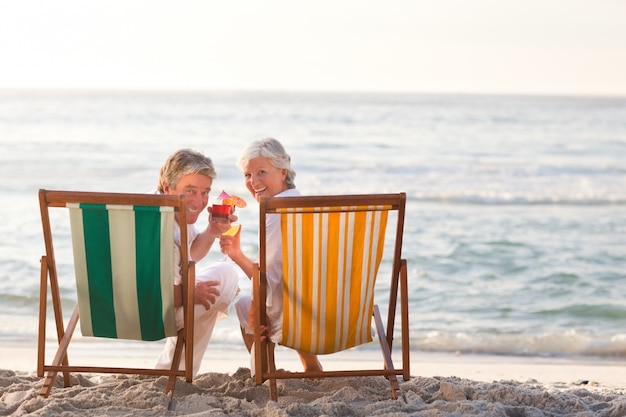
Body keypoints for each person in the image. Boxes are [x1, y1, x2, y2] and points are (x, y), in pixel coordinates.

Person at [219, 137, 322, 372]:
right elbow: (288, 273)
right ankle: (311, 365)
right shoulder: (305, 205)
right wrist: (236, 254)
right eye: (247, 175)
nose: (253, 182)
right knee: (296, 291)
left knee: (246, 305)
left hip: (297, 318)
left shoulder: (276, 211)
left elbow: (269, 279)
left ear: (283, 172)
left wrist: (256, 305)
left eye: (261, 172)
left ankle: (265, 371)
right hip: (333, 313)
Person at [154, 148, 240, 376]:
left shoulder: (160, 209)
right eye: (190, 190)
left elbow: (189, 254)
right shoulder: (163, 227)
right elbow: (169, 297)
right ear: (167, 186)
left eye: (204, 192)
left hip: (112, 313)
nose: (199, 201)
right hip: (151, 316)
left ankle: (172, 369)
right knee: (225, 279)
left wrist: (212, 231)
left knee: (214, 287)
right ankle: (177, 370)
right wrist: (192, 294)